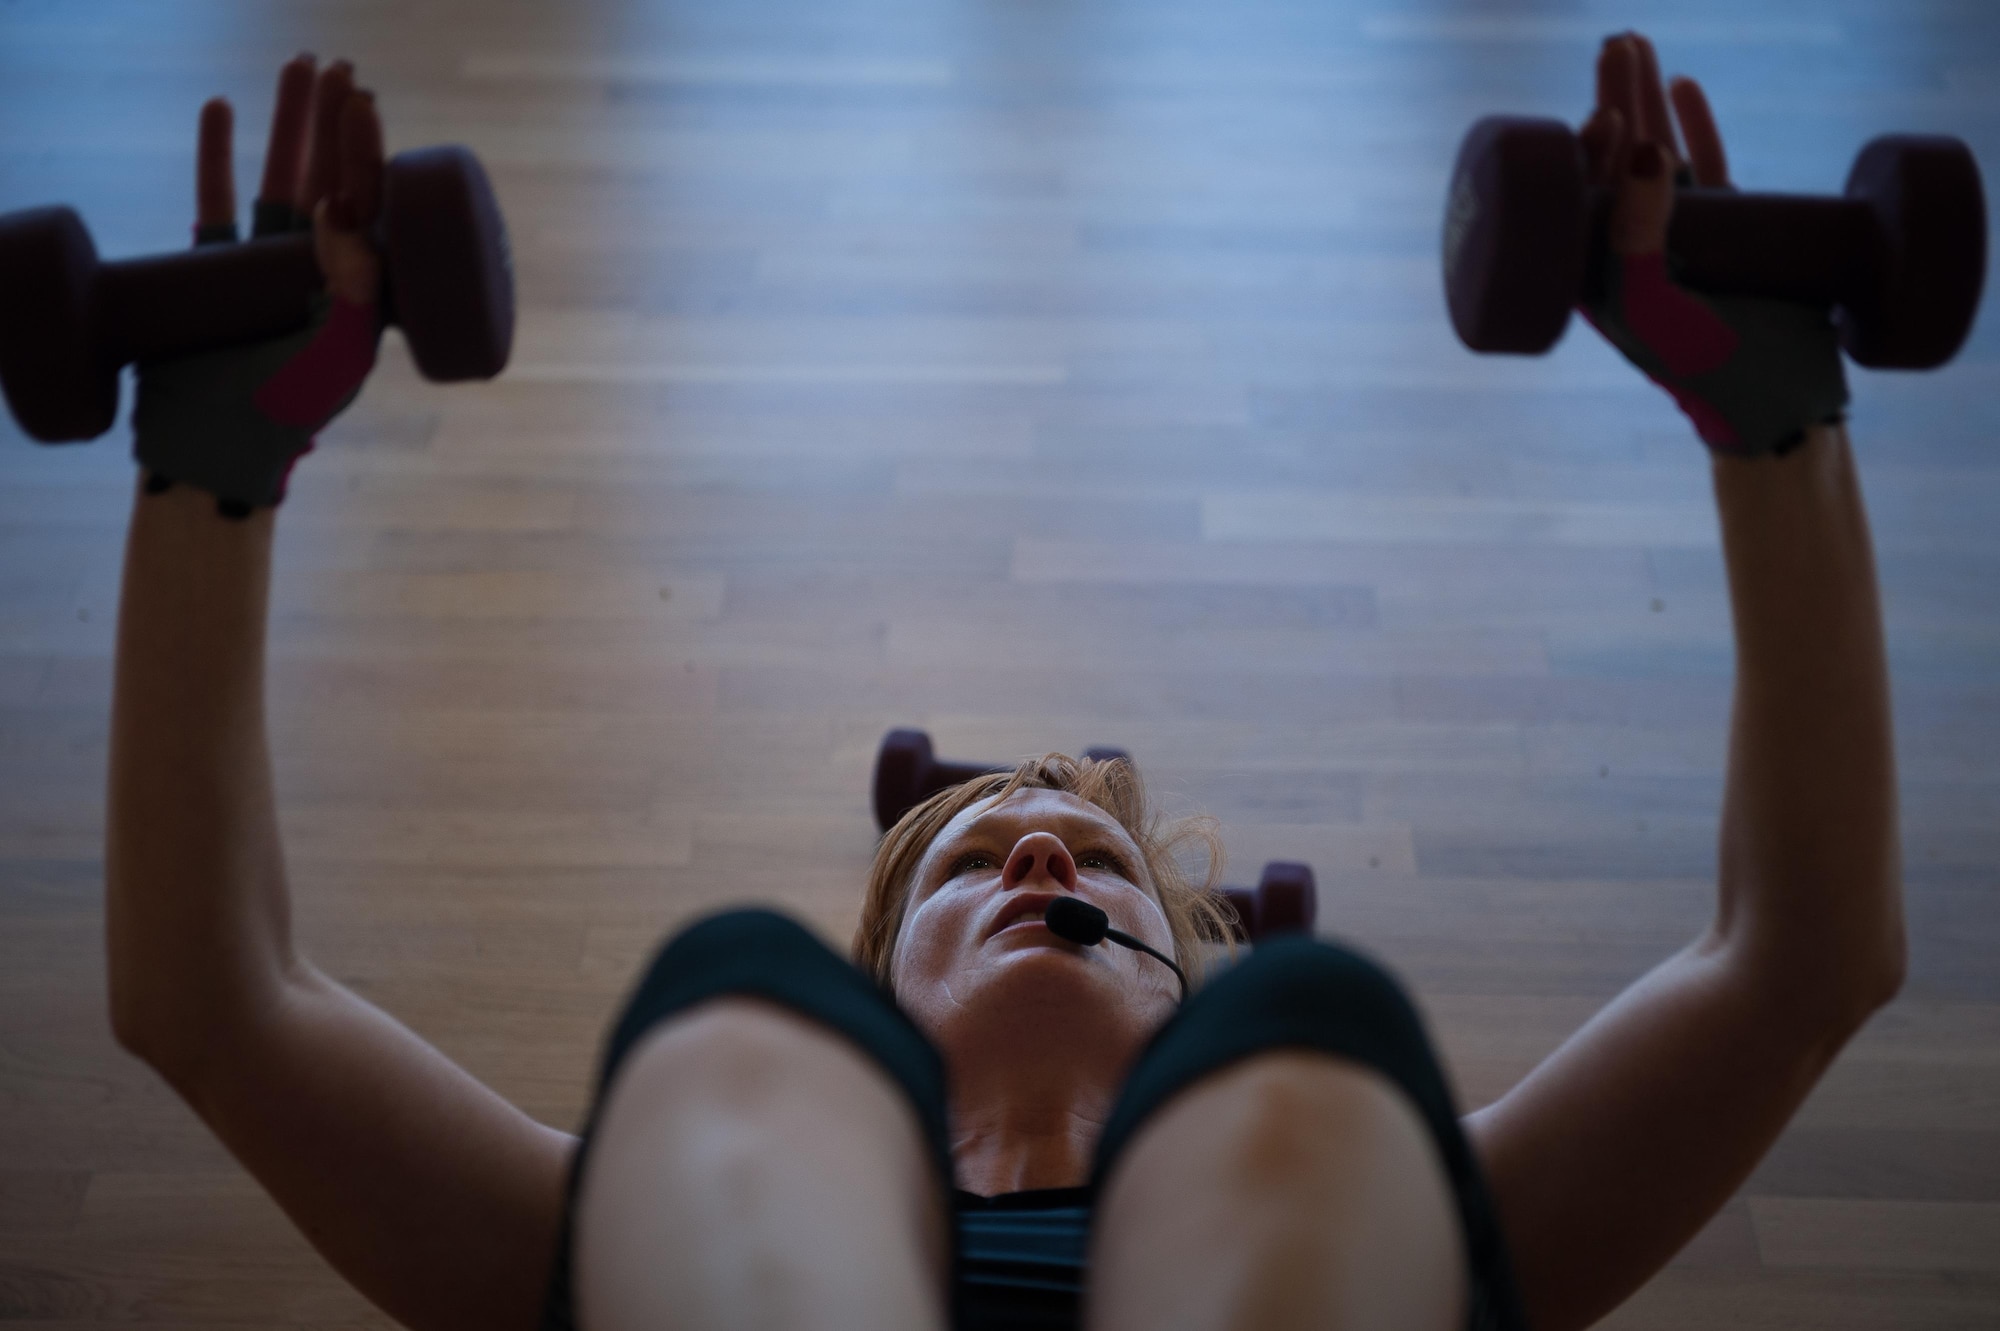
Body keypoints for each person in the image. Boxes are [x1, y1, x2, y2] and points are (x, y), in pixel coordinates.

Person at [101, 31, 1906, 1331]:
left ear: (1182, 959)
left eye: (1092, 865)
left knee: (1314, 1051)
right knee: (734, 1012)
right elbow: (215, 1002)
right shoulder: (678, 1186)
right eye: (976, 861)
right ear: (886, 1005)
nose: (1045, 859)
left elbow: (1800, 965)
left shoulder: (1390, 1179)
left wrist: (1772, 419)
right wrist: (218, 462)